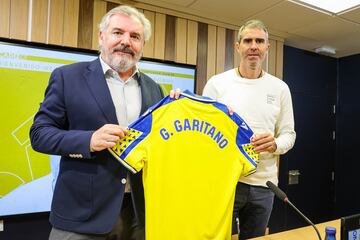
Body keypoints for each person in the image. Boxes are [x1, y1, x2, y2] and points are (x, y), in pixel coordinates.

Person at [30, 5, 164, 240]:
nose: (126, 41)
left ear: (142, 44)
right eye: (118, 32)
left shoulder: (154, 89)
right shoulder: (67, 77)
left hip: (138, 215)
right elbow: (40, 134)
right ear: (102, 37)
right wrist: (89, 140)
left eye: (135, 36)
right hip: (81, 216)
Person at [203, 19, 296, 240]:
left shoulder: (280, 88)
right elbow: (203, 134)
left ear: (267, 47)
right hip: (226, 181)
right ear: (238, 47)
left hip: (265, 185)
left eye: (259, 41)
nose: (253, 46)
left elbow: (289, 134)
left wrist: (275, 144)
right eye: (248, 41)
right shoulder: (217, 84)